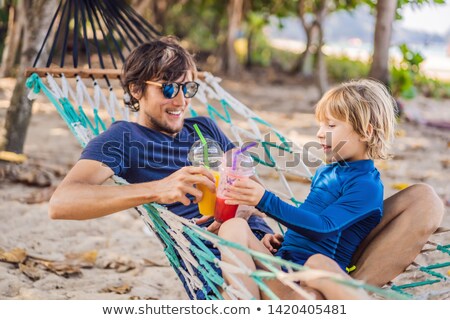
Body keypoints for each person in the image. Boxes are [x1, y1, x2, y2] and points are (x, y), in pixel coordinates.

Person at [49, 38, 444, 299]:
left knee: (424, 199)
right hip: (225, 261)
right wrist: (157, 189)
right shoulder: (121, 138)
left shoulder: (205, 128)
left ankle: (345, 294)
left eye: (188, 88)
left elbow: (251, 193)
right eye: (168, 88)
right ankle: (337, 296)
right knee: (240, 230)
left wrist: (271, 230)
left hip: (281, 249)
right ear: (136, 90)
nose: (180, 100)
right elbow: (63, 203)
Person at [216, 79, 444, 299]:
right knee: (234, 227)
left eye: (331, 125)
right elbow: (309, 220)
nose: (319, 133)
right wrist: (285, 241)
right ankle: (245, 302)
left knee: (317, 267)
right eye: (321, 124)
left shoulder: (366, 186)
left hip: (309, 281)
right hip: (282, 264)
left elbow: (324, 228)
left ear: (365, 132)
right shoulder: (327, 172)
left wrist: (265, 200)